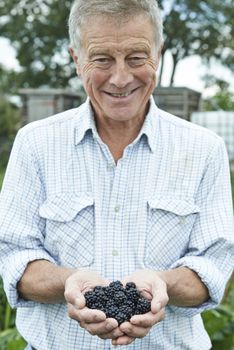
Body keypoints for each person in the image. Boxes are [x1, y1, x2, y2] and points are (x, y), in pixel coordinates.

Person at [0, 0, 233, 349]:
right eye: (102, 59)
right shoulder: (36, 143)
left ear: (159, 52)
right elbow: (14, 256)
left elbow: (212, 268)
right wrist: (69, 281)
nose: (121, 78)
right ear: (77, 60)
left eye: (137, 58)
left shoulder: (204, 149)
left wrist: (163, 283)